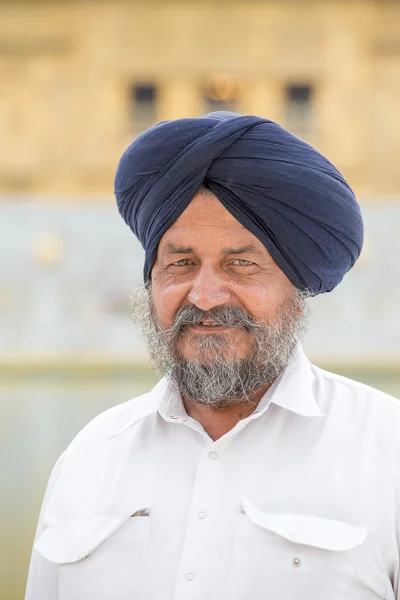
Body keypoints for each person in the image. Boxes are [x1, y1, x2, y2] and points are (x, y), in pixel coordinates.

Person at [26, 112, 400, 600]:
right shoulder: (91, 455)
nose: (203, 295)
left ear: (296, 284)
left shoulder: (387, 450)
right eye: (181, 264)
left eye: (240, 264)